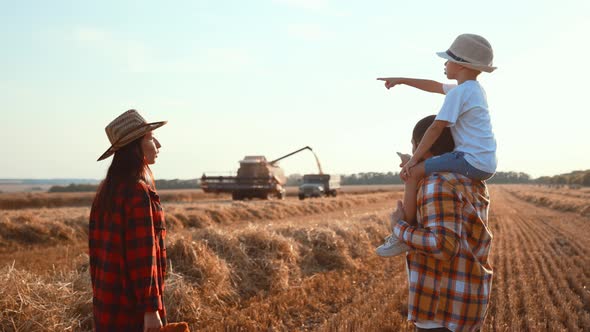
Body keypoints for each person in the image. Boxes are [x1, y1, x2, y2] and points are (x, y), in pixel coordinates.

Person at [376, 33, 497, 255]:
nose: (444, 63)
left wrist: (413, 162)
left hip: (469, 160)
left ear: (460, 65)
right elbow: (434, 86)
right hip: (483, 162)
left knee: (412, 174)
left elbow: (435, 129)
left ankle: (402, 234)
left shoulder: (459, 93)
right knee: (415, 168)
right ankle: (405, 230)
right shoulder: (473, 90)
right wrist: (402, 79)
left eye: (448, 59)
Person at [385, 115, 493, 331]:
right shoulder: (471, 181)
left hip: (442, 308)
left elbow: (443, 245)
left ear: (421, 146)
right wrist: (412, 180)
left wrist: (398, 226)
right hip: (465, 302)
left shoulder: (437, 183)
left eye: (413, 145)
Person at [89, 109, 168, 332]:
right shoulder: (137, 191)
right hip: (134, 312)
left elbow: (98, 257)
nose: (158, 144)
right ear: (135, 146)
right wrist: (151, 310)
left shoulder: (107, 190)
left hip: (108, 305)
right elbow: (143, 256)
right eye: (151, 138)